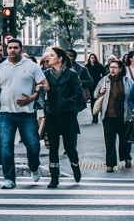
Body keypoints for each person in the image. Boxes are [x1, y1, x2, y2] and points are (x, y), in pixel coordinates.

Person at [0, 39, 49, 189]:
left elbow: (45, 85)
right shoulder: (0, 68)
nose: (12, 50)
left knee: (33, 145)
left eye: (16, 47)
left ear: (21, 49)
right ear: (7, 50)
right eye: (10, 48)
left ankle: (34, 167)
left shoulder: (32, 66)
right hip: (5, 114)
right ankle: (9, 178)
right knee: (6, 146)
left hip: (27, 114)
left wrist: (32, 97)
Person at [43, 47, 83, 188]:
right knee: (53, 148)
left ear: (60, 58)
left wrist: (66, 101)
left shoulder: (71, 74)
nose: (49, 57)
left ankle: (75, 165)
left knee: (69, 147)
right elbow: (42, 92)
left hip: (67, 114)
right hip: (52, 115)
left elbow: (79, 94)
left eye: (52, 55)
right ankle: (54, 177)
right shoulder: (46, 74)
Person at [94, 60, 133, 172]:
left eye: (115, 67)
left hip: (124, 116)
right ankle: (110, 164)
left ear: (120, 69)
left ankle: (126, 158)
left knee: (125, 140)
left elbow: (132, 96)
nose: (112, 69)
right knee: (109, 141)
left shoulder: (127, 81)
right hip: (108, 117)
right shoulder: (104, 80)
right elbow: (95, 94)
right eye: (110, 67)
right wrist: (100, 91)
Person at [66, 49, 94, 114]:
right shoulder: (60, 68)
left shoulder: (82, 69)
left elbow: (90, 81)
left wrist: (81, 82)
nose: (68, 57)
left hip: (75, 97)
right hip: (64, 97)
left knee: (72, 117)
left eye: (70, 56)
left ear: (75, 58)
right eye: (66, 55)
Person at [85, 54, 106, 123]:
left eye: (94, 58)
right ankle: (94, 116)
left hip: (98, 85)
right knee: (92, 102)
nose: (92, 59)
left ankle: (97, 116)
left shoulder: (99, 66)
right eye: (91, 58)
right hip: (90, 86)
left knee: (98, 100)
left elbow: (104, 75)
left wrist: (101, 81)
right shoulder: (87, 67)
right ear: (89, 59)